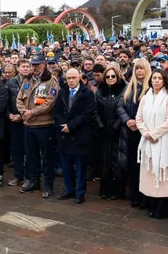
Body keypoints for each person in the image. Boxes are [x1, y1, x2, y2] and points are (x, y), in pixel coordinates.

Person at [135, 68, 168, 219]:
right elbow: (138, 118)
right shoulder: (145, 97)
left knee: (162, 172)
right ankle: (151, 205)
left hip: (163, 140)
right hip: (147, 140)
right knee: (149, 174)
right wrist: (146, 133)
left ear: (164, 80)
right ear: (151, 80)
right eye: (154, 78)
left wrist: (154, 134)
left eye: (160, 78)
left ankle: (162, 208)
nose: (157, 81)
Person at [17, 54, 60, 197]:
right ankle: (33, 180)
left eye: (37, 64)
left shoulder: (51, 81)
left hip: (44, 124)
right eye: (32, 64)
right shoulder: (27, 79)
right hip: (29, 124)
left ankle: (48, 184)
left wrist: (32, 112)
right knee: (31, 155)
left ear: (44, 64)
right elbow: (19, 99)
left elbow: (49, 103)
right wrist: (24, 112)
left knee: (47, 156)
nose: (34, 67)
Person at [54, 68, 95, 203]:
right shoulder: (62, 92)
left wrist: (70, 126)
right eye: (69, 78)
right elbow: (58, 111)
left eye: (73, 78)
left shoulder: (87, 93)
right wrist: (63, 125)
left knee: (80, 167)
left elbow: (87, 114)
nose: (71, 81)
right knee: (66, 165)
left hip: (79, 134)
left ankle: (80, 192)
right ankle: (69, 189)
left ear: (79, 78)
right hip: (64, 135)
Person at [95, 64, 127, 199]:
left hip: (118, 131)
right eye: (107, 76)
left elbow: (124, 109)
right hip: (103, 129)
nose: (110, 78)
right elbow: (95, 110)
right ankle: (105, 189)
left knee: (117, 161)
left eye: (113, 76)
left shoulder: (124, 90)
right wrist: (101, 125)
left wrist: (115, 126)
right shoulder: (99, 90)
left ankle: (118, 190)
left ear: (118, 76)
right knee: (104, 160)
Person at [7, 59, 29, 186]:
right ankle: (18, 175)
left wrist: (22, 116)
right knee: (16, 149)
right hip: (14, 120)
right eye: (23, 66)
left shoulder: (33, 81)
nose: (25, 68)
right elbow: (7, 100)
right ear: (18, 68)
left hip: (28, 120)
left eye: (27, 66)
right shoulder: (11, 82)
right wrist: (9, 114)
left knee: (29, 149)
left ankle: (29, 176)